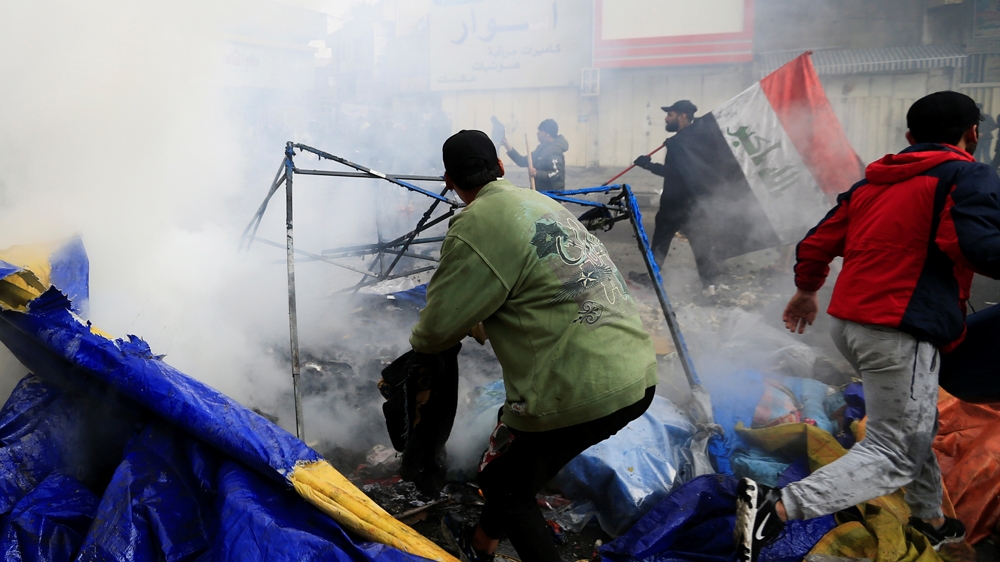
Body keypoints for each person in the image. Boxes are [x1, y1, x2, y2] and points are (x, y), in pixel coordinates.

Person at [736, 91, 1000, 562]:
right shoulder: (966, 174)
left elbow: (817, 242)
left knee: (916, 423)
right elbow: (972, 244)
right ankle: (776, 508)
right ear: (973, 134)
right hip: (900, 329)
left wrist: (806, 290)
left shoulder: (869, 186)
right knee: (894, 451)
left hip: (851, 324)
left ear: (910, 137)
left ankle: (929, 518)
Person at [409, 130, 657, 562]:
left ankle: (487, 544)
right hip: (637, 372)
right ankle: (481, 544)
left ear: (448, 181)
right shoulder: (541, 203)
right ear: (502, 167)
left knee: (505, 486)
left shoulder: (474, 224)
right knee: (516, 469)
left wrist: (453, 328)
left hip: (580, 387)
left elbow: (434, 332)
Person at [632, 100, 721, 292]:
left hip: (675, 203)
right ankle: (710, 285)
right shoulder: (695, 139)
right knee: (697, 244)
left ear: (682, 116)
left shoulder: (679, 142)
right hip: (695, 202)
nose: (666, 118)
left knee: (663, 242)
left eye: (670, 115)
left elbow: (674, 172)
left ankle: (653, 278)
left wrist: (647, 165)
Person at [501, 119, 569, 191]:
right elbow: (522, 161)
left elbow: (557, 174)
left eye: (540, 131)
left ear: (547, 134)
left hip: (552, 195)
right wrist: (509, 148)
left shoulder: (554, 150)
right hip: (541, 193)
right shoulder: (541, 149)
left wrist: (536, 173)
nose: (537, 133)